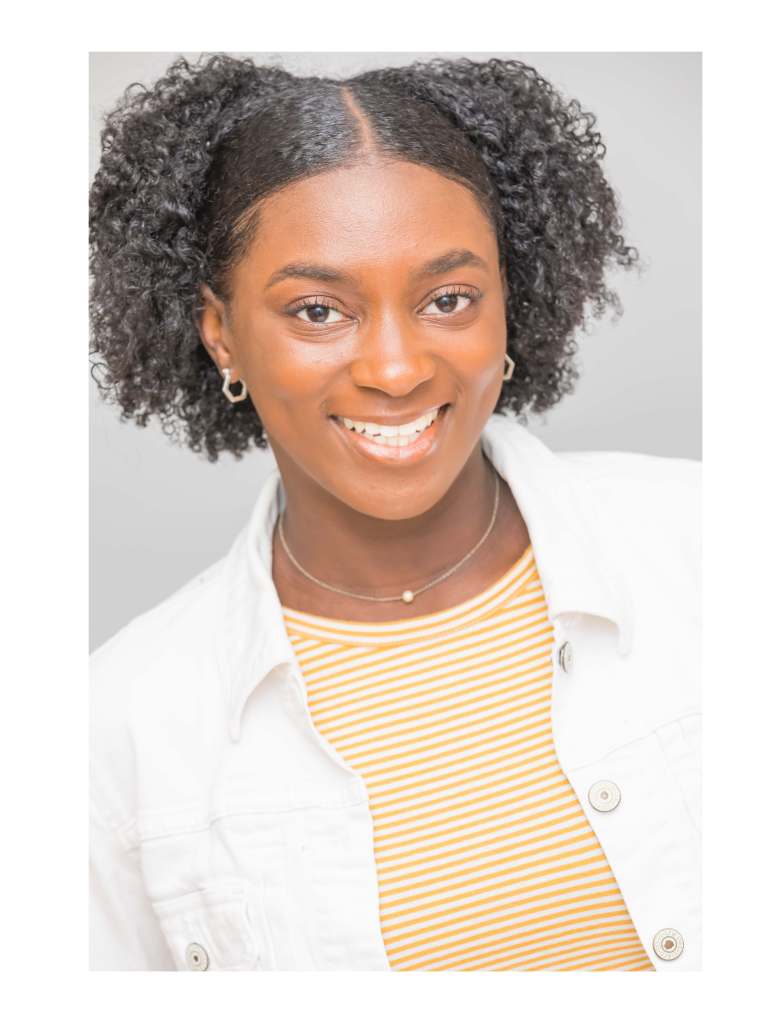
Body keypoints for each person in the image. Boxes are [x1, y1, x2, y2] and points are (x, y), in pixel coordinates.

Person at [89, 53, 700, 972]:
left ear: (507, 298)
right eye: (318, 310)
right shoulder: (118, 726)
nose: (396, 368)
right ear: (221, 333)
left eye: (448, 299)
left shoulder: (717, 544)